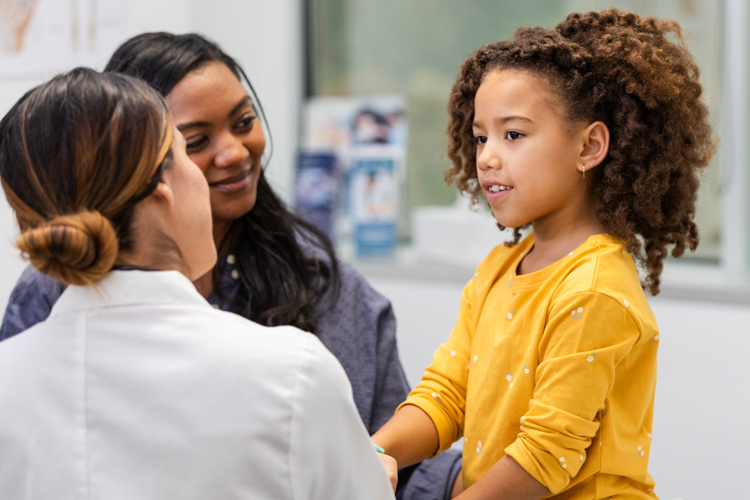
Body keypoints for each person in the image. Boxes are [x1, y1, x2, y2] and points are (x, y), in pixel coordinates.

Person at [0, 33, 462, 498]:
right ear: (157, 182)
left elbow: (408, 468)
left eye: (244, 121)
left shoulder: (325, 286)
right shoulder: (294, 369)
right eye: (192, 144)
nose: (235, 153)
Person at [371, 8, 715, 500]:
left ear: (590, 145)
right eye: (480, 136)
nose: (487, 156)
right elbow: (447, 395)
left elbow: (543, 456)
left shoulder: (595, 290)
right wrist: (373, 453)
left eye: (513, 134)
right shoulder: (498, 270)